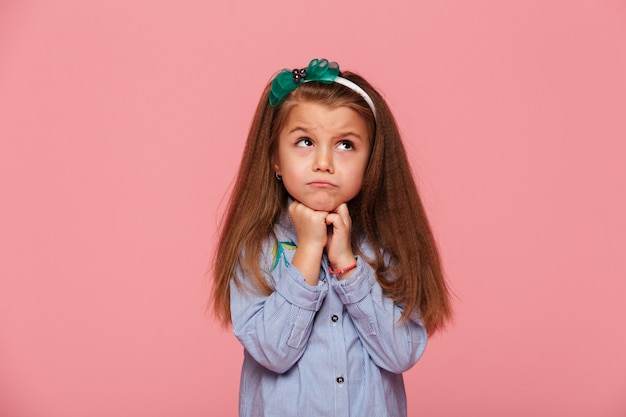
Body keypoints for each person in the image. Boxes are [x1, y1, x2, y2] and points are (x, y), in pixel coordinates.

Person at [211, 58, 452, 417]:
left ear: (371, 160)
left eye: (345, 145)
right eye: (305, 141)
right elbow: (273, 353)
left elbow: (402, 353)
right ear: (275, 158)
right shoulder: (255, 247)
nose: (324, 162)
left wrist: (347, 266)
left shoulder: (385, 245)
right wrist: (309, 249)